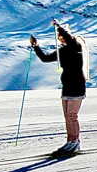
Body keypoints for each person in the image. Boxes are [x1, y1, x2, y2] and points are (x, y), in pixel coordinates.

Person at [30, 20, 89, 156]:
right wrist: (36, 46)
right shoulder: (62, 51)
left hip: (77, 85)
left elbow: (68, 37)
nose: (61, 39)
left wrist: (58, 26)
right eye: (59, 37)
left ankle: (75, 142)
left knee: (72, 115)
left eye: (62, 36)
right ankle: (70, 141)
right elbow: (45, 58)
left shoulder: (76, 46)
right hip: (67, 86)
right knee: (67, 116)